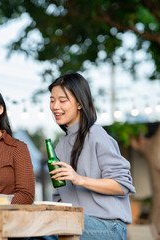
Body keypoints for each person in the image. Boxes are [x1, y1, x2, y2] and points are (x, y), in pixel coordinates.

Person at [47, 72, 135, 240]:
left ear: (80, 103)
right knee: (30, 231)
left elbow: (122, 185)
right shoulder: (58, 147)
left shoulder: (96, 134)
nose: (55, 106)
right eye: (52, 100)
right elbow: (61, 198)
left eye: (62, 101)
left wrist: (79, 179)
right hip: (74, 222)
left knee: (49, 230)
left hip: (109, 226)